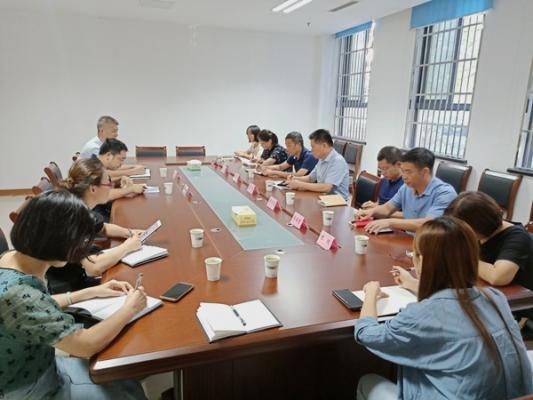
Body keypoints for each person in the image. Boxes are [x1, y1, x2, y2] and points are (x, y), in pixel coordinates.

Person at [355, 216, 532, 400]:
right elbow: (454, 300)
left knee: (368, 382)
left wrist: (370, 294)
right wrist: (413, 284)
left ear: (421, 260)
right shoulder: (495, 297)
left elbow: (366, 334)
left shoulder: (422, 314)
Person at [0, 190, 147, 399]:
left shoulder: (11, 259)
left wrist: (90, 292)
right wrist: (130, 308)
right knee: (128, 391)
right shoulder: (19, 296)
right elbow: (85, 345)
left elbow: (36, 307)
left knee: (124, 380)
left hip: (37, 365)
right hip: (31, 387)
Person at [47, 158, 145, 293]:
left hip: (76, 277)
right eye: (108, 182)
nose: (111, 186)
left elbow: (103, 227)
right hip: (66, 288)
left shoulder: (78, 205)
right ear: (93, 189)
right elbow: (94, 267)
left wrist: (130, 233)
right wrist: (127, 247)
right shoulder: (72, 216)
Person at [355, 147, 456, 234]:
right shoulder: (406, 188)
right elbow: (387, 208)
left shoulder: (445, 193)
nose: (404, 176)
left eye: (408, 172)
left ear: (425, 172)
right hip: (408, 240)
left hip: (432, 246)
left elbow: (429, 224)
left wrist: (390, 222)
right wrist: (370, 212)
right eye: (402, 171)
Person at [445, 191, 533, 290]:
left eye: (463, 228)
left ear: (478, 225)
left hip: (516, 295)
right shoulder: (480, 233)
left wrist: (463, 259)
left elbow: (498, 277)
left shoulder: (517, 237)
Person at [287, 129, 350, 201]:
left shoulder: (338, 161)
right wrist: (294, 178)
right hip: (323, 197)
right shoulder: (321, 159)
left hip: (337, 202)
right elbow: (310, 178)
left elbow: (327, 187)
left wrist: (300, 184)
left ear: (324, 146)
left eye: (313, 146)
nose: (311, 150)